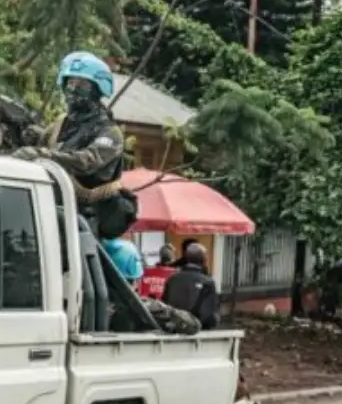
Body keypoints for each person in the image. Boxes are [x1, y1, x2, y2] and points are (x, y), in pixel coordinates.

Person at [12, 51, 134, 239]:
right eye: (70, 82)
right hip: (51, 209)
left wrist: (43, 154)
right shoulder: (61, 124)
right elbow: (37, 145)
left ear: (97, 89)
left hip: (85, 222)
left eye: (82, 84)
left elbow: (87, 162)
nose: (73, 88)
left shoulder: (110, 132)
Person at [162, 243, 220, 329]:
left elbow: (165, 304)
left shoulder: (172, 279)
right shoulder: (207, 282)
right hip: (198, 330)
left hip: (174, 327)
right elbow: (209, 314)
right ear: (203, 259)